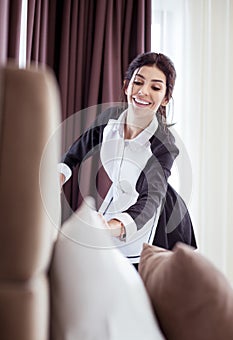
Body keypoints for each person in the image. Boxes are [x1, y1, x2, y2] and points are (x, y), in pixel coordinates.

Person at [58, 52, 197, 268]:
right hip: (118, 199)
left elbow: (150, 199)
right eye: (138, 82)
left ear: (166, 98)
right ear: (126, 85)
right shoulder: (110, 118)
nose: (143, 92)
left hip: (157, 214)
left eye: (156, 87)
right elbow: (78, 150)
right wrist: (58, 176)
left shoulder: (164, 146)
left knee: (137, 282)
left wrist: (113, 226)